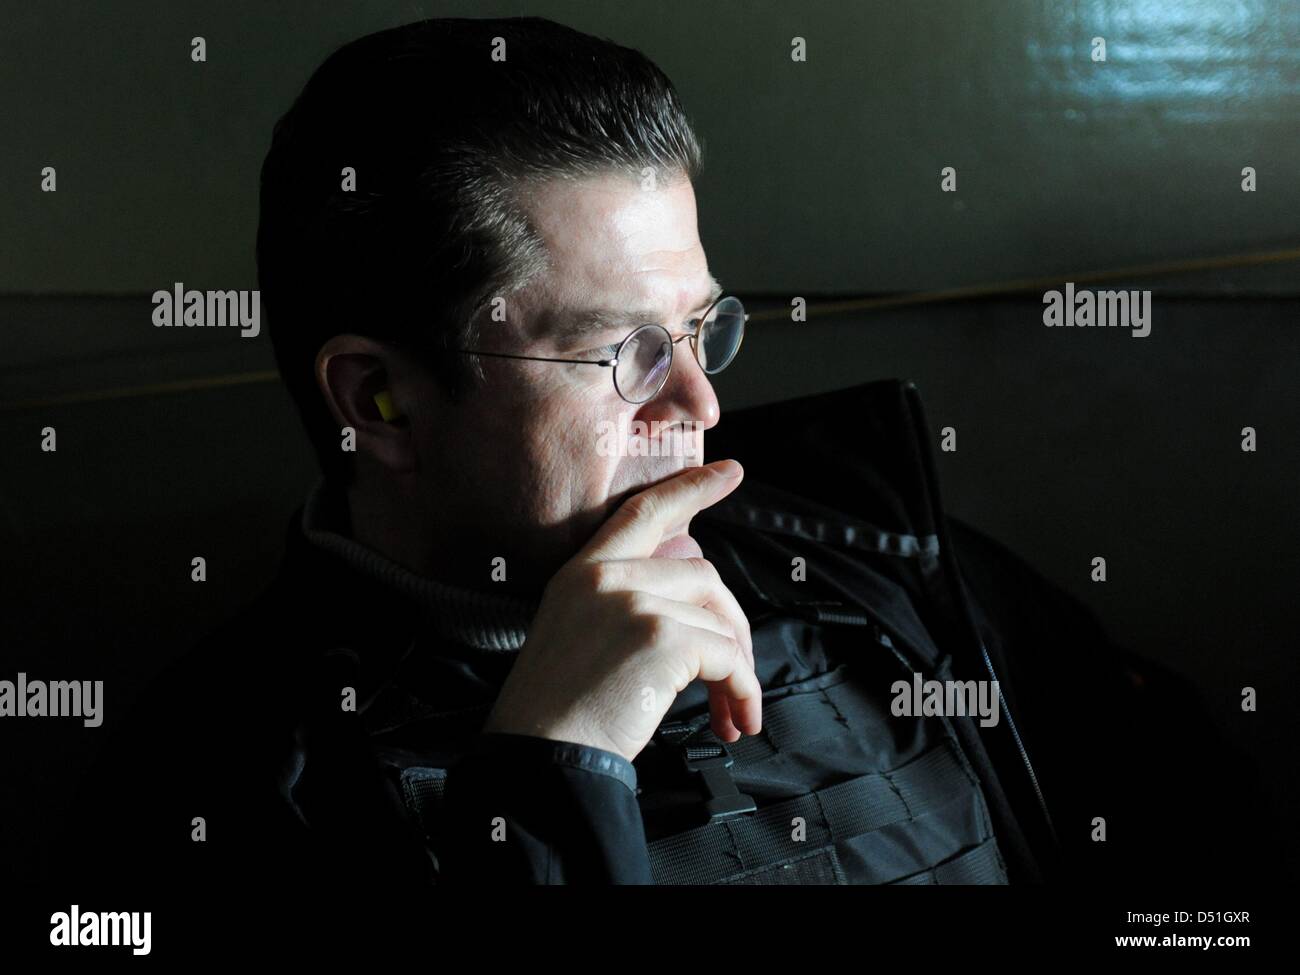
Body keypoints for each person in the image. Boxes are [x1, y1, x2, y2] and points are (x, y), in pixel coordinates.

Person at [65, 15, 1269, 891]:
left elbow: (1184, 837)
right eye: (622, 354)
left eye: (700, 330)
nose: (698, 398)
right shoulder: (211, 792)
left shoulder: (877, 572)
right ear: (380, 401)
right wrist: (556, 768)